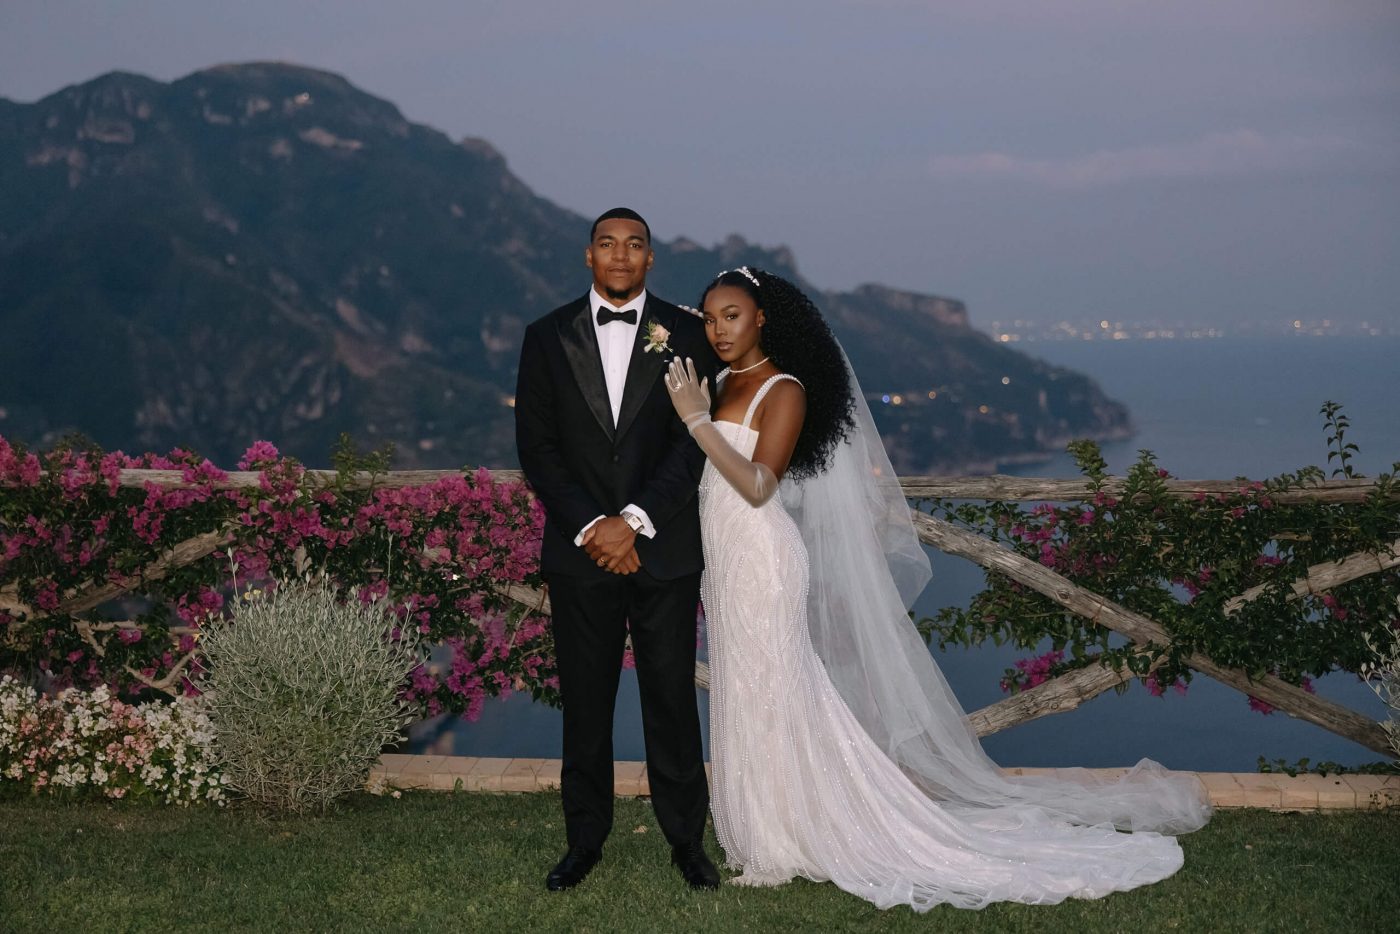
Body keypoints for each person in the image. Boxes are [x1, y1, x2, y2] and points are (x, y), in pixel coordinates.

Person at [663, 266, 1212, 911]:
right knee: (743, 689)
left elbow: (759, 486)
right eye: (710, 318)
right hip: (725, 564)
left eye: (732, 315)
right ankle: (767, 829)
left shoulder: (783, 389)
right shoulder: (718, 382)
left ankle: (793, 834)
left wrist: (697, 422)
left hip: (762, 559)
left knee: (775, 689)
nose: (719, 329)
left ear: (762, 318)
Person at [515, 208, 721, 892]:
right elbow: (537, 448)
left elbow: (692, 443)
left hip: (662, 549)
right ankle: (583, 842)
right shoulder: (545, 337)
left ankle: (687, 842)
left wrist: (631, 521)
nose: (622, 255)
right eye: (608, 244)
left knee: (672, 700)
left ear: (650, 259)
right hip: (581, 554)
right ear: (589, 255)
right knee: (586, 703)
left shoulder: (687, 334)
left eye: (635, 245)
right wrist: (593, 527)